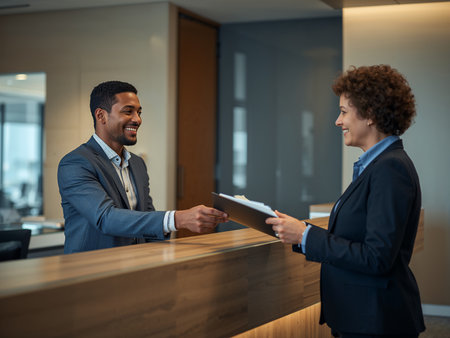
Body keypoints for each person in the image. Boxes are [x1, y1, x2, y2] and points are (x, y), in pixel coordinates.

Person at [266, 65, 425, 338]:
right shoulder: (379, 165)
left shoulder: (389, 169)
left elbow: (377, 258)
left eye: (343, 112)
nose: (338, 122)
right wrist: (299, 232)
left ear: (371, 114)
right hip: (363, 316)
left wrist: (305, 235)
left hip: (375, 321)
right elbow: (356, 238)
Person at [58, 81, 227, 253]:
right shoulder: (75, 163)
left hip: (136, 268)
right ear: (101, 116)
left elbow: (145, 222)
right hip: (90, 271)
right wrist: (179, 219)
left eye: (139, 112)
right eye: (128, 111)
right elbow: (106, 218)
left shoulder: (137, 164)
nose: (137, 119)